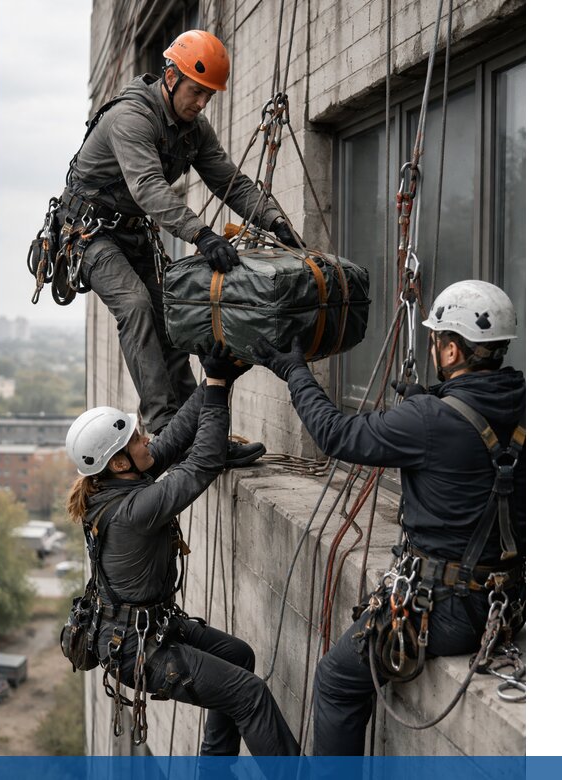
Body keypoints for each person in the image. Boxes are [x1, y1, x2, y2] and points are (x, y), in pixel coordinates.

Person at [250, 280, 525, 755]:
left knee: (335, 680)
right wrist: (434, 401)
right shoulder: (524, 399)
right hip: (505, 601)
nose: (435, 347)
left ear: (453, 349)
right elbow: (474, 446)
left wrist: (295, 373)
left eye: (438, 340)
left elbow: (337, 434)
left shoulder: (428, 419)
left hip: (449, 610)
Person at [58, 29, 299, 465]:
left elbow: (231, 182)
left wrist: (275, 220)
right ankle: (166, 429)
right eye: (196, 91)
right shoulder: (132, 118)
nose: (202, 103)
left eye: (209, 95)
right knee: (135, 306)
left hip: (131, 232)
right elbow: (148, 186)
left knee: (171, 317)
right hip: (88, 232)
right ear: (170, 76)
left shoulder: (193, 130)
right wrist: (202, 235)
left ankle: (203, 433)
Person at [64, 342, 300, 756]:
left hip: (147, 626)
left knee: (239, 657)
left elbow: (172, 441)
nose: (146, 440)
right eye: (137, 439)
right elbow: (203, 463)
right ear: (118, 463)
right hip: (138, 646)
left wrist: (216, 381)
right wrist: (215, 387)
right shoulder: (133, 510)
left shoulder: (114, 483)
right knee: (250, 694)